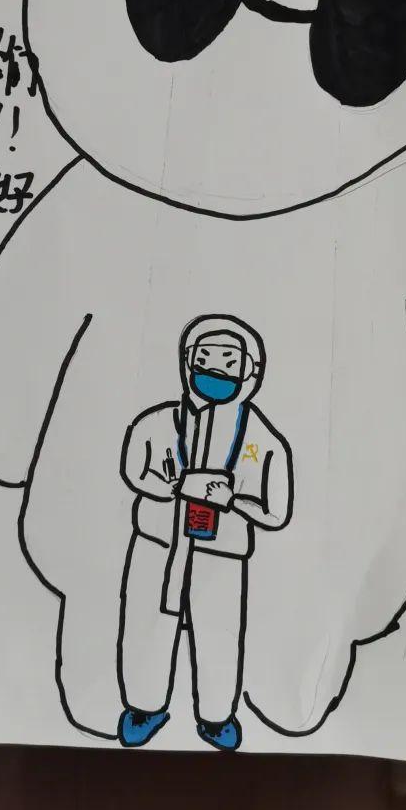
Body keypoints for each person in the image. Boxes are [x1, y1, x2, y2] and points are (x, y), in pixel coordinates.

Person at [117, 314, 293, 751]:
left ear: (249, 371)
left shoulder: (261, 439)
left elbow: (276, 511)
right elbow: (134, 470)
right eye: (204, 358)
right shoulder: (159, 422)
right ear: (187, 361)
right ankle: (144, 707)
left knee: (218, 633)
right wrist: (176, 486)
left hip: (221, 554)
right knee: (146, 625)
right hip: (157, 544)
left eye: (228, 361)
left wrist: (231, 499)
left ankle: (216, 717)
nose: (214, 369)